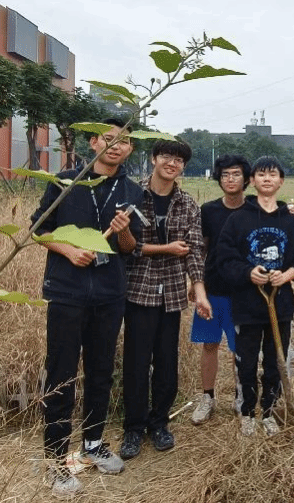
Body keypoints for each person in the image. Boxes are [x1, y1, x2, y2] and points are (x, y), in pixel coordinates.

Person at [30, 118, 143, 497]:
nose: (116, 146)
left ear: (130, 148)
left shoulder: (132, 190)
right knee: (61, 373)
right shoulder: (65, 181)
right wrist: (69, 250)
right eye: (108, 139)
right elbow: (38, 229)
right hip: (66, 291)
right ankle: (55, 459)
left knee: (101, 371)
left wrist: (123, 230)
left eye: (123, 141)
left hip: (110, 294)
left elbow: (130, 248)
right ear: (93, 142)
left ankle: (93, 444)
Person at [119, 139, 211, 460]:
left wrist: (199, 290)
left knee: (167, 362)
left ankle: (159, 423)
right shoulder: (133, 195)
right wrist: (166, 249)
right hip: (139, 290)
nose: (172, 164)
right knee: (136, 362)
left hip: (171, 293)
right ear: (154, 159)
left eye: (179, 160)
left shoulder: (187, 204)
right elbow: (126, 246)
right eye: (167, 157)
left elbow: (194, 251)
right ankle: (133, 427)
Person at [216, 156, 294, 436]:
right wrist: (248, 273)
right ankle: (247, 411)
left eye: (272, 174)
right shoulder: (237, 219)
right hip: (246, 305)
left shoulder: (291, 222)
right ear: (252, 181)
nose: (267, 179)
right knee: (246, 360)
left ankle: (269, 410)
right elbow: (225, 258)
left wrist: (287, 275)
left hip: (280, 305)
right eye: (261, 174)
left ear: (281, 181)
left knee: (275, 360)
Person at [190, 155, 252, 425]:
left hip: (245, 290)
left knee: (242, 347)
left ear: (246, 179)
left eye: (236, 174)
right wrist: (196, 284)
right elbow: (201, 249)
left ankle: (242, 397)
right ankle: (207, 397)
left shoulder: (254, 209)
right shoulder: (209, 210)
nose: (230, 179)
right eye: (225, 174)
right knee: (210, 344)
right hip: (213, 287)